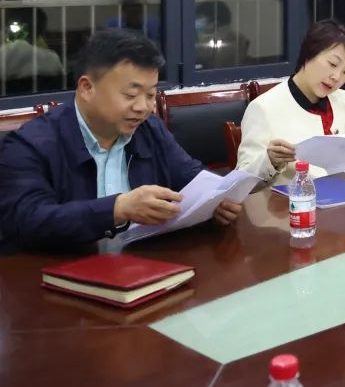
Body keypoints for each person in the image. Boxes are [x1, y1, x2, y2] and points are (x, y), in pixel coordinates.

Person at [0, 29, 242, 253]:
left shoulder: (149, 129)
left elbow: (190, 176)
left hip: (141, 265)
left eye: (151, 94)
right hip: (56, 272)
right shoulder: (29, 145)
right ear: (87, 88)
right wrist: (117, 209)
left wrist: (217, 200)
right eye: (131, 94)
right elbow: (27, 220)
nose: (143, 107)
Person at [236, 20, 345, 186]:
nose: (336, 77)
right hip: (290, 200)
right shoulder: (264, 108)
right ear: (308, 54)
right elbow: (242, 182)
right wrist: (270, 161)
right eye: (332, 64)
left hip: (343, 195)